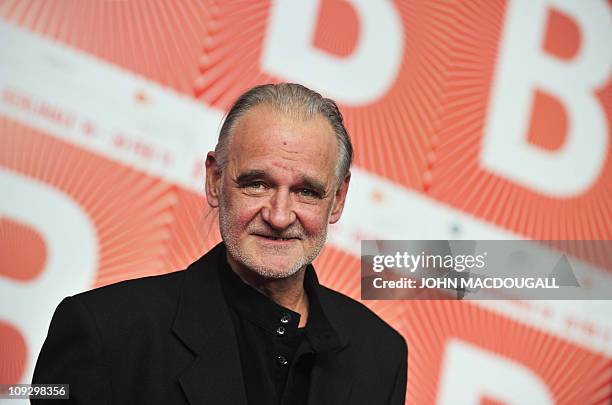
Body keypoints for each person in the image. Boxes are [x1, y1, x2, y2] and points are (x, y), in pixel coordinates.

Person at [32, 83, 408, 404]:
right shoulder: (105, 331)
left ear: (338, 200)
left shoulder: (382, 354)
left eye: (306, 191)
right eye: (256, 184)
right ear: (214, 180)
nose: (279, 216)